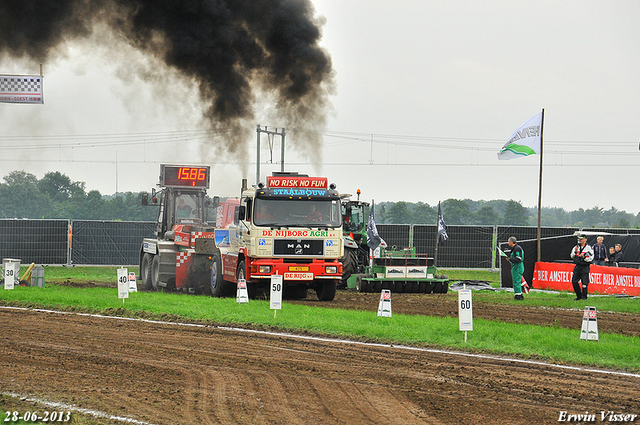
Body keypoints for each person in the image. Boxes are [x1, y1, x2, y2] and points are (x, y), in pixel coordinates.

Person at [570, 234, 593, 300]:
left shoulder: (588, 248)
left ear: (585, 240)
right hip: (578, 266)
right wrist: (575, 252)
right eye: (579, 239)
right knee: (574, 281)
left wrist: (584, 257)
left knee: (584, 283)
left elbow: (591, 257)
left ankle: (584, 297)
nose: (580, 240)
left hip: (585, 266)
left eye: (581, 239)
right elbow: (572, 256)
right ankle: (579, 295)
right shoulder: (576, 247)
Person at [507, 236, 525, 301]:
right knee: (516, 281)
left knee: (517, 281)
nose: (508, 243)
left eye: (508, 242)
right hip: (516, 267)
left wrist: (511, 259)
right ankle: (518, 294)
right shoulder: (515, 248)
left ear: (511, 242)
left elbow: (519, 259)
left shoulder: (517, 248)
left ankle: (518, 296)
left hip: (518, 267)